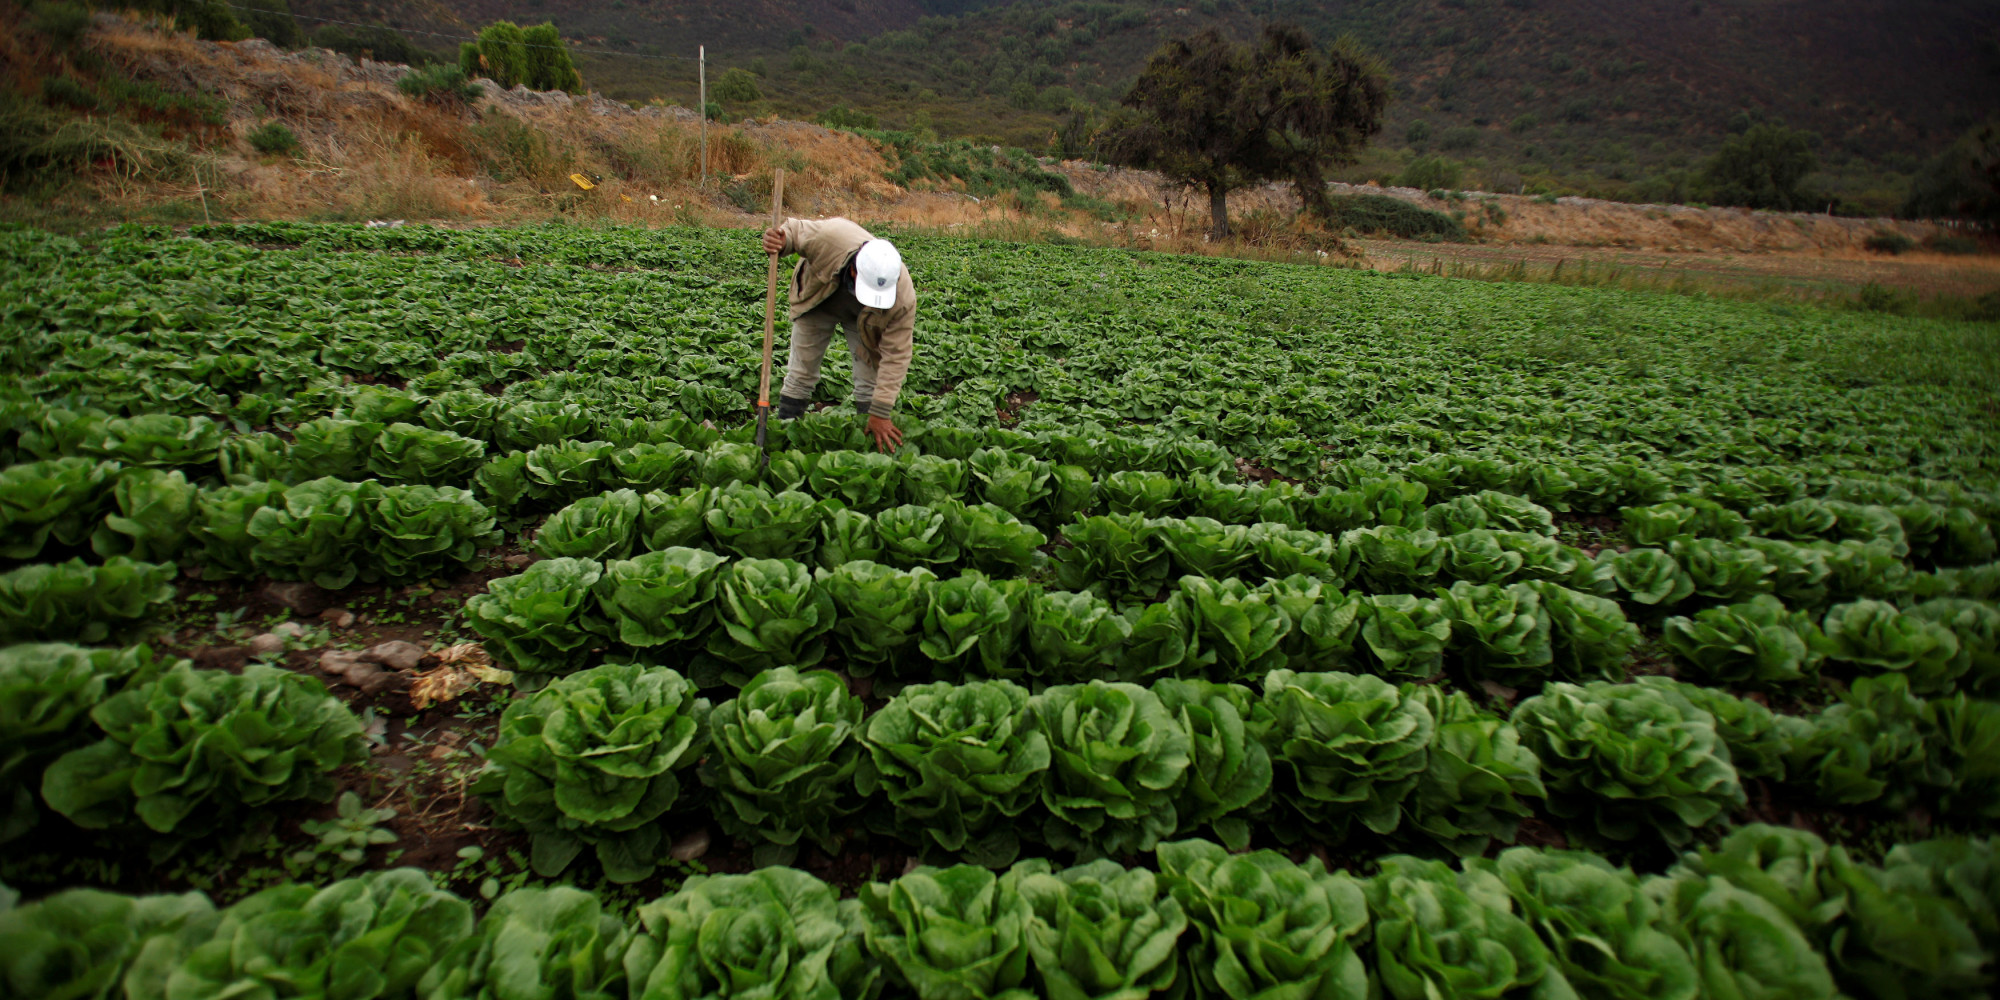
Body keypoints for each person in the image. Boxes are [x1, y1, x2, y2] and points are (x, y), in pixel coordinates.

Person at [761, 216, 914, 453]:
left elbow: (897, 355)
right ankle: (784, 434)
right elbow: (795, 230)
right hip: (819, 299)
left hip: (867, 317)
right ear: (854, 270)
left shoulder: (901, 297)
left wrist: (881, 411)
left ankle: (869, 437)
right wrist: (782, 240)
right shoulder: (831, 237)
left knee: (869, 379)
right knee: (801, 371)